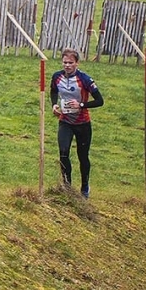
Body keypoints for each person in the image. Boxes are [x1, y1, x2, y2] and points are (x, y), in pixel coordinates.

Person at [51, 48, 105, 197]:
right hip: (65, 121)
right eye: (64, 62)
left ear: (77, 63)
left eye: (70, 63)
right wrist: (54, 105)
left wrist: (81, 105)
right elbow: (53, 91)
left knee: (82, 156)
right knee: (63, 152)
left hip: (82, 123)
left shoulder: (85, 79)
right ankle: (67, 186)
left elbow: (100, 101)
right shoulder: (57, 77)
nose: (67, 65)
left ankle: (85, 187)